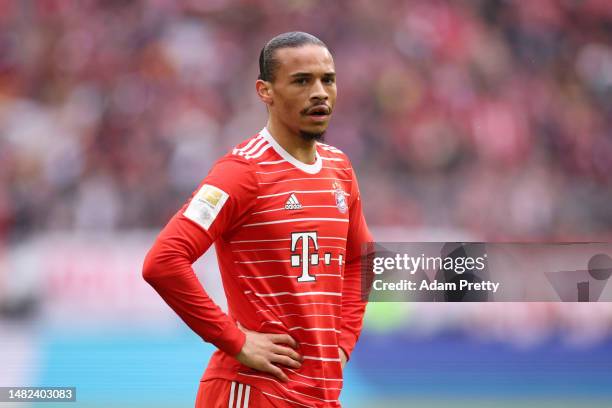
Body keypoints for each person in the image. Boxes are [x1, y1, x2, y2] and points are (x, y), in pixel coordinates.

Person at [143, 31, 372, 408]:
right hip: (253, 392)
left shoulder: (339, 169)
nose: (320, 92)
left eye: (327, 79)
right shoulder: (242, 172)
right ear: (265, 91)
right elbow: (163, 262)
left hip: (320, 394)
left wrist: (342, 344)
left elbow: (361, 258)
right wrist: (235, 339)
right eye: (302, 81)